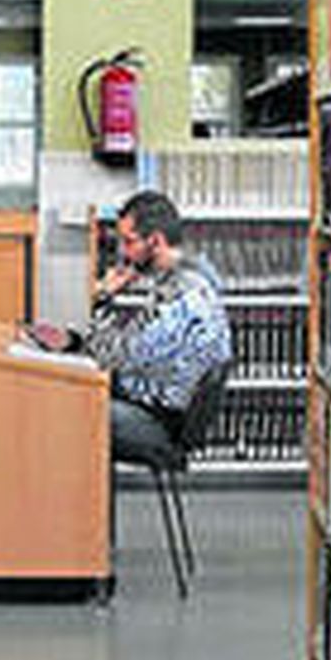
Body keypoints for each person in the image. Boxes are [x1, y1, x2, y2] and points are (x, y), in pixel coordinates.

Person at [82, 189, 232, 467]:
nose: (124, 253)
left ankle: (79, 509)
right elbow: (127, 346)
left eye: (129, 243)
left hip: (162, 423)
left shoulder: (181, 302)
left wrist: (102, 297)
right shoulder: (192, 276)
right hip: (157, 403)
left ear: (156, 241)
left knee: (70, 411)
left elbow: (108, 357)